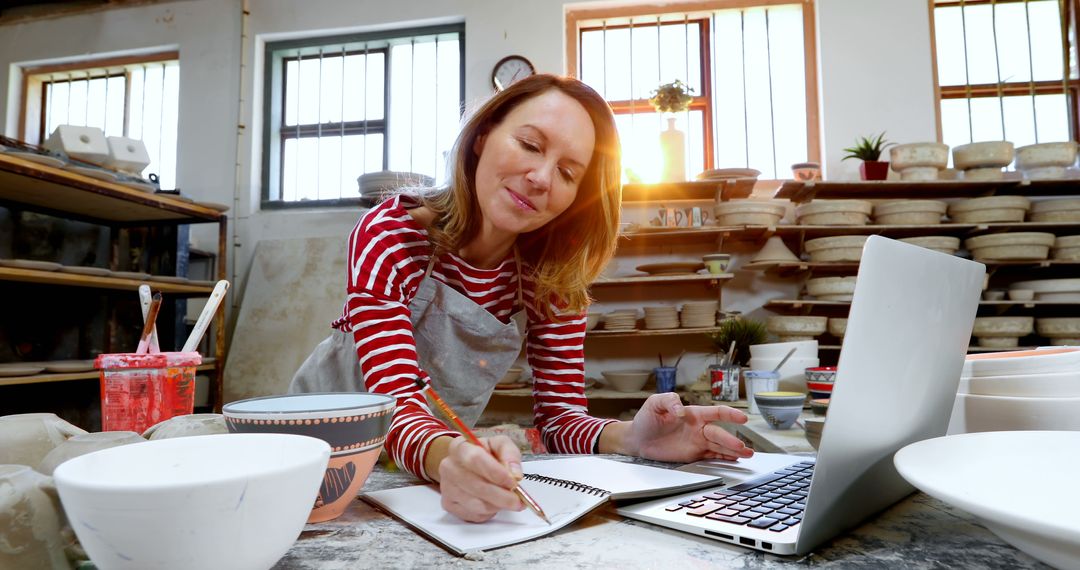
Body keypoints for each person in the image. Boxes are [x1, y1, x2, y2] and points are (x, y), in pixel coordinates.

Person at [290, 74, 753, 523]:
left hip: (429, 467)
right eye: (530, 145)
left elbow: (559, 419)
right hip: (319, 449)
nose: (540, 178)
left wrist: (634, 437)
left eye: (568, 173)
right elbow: (393, 403)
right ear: (482, 137)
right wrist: (453, 454)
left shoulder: (552, 276)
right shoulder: (393, 233)